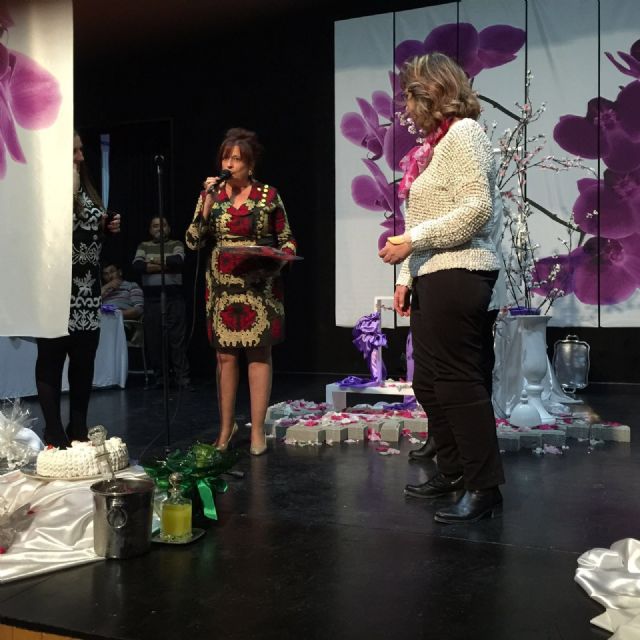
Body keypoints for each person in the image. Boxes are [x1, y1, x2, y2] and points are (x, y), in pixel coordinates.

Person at [379, 53, 504, 524]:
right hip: (433, 274)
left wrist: (413, 240)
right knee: (429, 383)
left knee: (457, 382)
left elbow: (476, 209)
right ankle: (453, 472)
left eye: (410, 98)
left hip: (461, 272)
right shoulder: (437, 146)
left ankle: (483, 486)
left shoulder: (465, 134)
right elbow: (426, 217)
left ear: (431, 94)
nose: (407, 110)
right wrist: (406, 278)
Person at [185, 128, 297, 455]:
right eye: (226, 158)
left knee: (259, 353)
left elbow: (287, 239)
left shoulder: (268, 196)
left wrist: (280, 258)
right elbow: (193, 241)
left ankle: (258, 429)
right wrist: (206, 204)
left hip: (259, 284)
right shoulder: (211, 195)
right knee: (225, 355)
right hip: (222, 285)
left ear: (250, 165)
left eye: (237, 159)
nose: (229, 164)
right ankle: (226, 428)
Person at [35, 131, 121, 447]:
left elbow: (90, 229)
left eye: (81, 150)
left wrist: (107, 227)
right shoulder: (46, 192)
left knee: (83, 364)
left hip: (87, 294)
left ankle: (78, 428)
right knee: (51, 361)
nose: (81, 157)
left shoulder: (86, 190)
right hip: (55, 294)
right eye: (74, 151)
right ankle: (54, 431)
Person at [133, 217, 192, 390]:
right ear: (150, 230)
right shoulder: (143, 246)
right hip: (152, 300)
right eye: (155, 226)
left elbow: (178, 262)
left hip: (174, 299)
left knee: (177, 340)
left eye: (163, 225)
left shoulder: (176, 244)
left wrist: (151, 262)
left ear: (169, 228)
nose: (159, 228)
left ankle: (182, 379)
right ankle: (161, 379)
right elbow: (138, 266)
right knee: (154, 341)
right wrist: (166, 264)